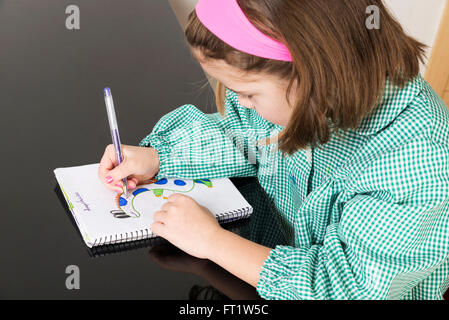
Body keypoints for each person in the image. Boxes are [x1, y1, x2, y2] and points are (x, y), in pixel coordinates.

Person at [98, 0, 449, 299]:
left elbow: (342, 288)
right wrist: (160, 156)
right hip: (277, 255)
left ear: (312, 77)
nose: (241, 103)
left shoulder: (415, 160)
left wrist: (212, 242)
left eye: (249, 94)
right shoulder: (298, 99)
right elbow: (240, 136)